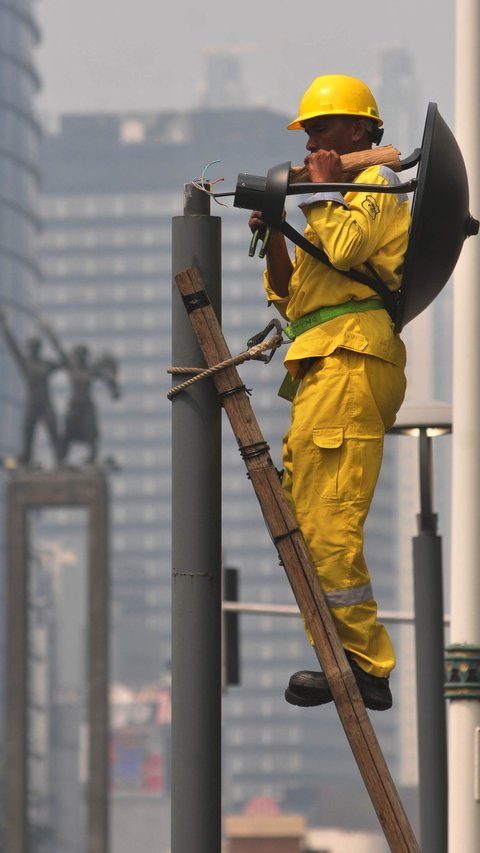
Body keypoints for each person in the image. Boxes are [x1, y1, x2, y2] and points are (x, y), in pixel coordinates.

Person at [249, 74, 410, 711]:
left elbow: (347, 246)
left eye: (323, 127)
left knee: (329, 524)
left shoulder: (375, 183)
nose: (313, 138)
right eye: (309, 130)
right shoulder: (332, 196)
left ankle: (367, 665)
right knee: (306, 521)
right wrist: (278, 228)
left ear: (360, 130)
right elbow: (289, 298)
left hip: (351, 354)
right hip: (321, 357)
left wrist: (318, 189)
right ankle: (343, 659)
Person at [0, 308, 63, 465]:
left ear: (39, 348)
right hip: (32, 402)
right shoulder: (25, 363)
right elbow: (12, 345)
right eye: (31, 346)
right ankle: (26, 459)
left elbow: (65, 361)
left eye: (35, 346)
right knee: (28, 432)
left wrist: (48, 332)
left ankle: (59, 460)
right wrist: (4, 325)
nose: (33, 349)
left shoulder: (46, 364)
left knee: (53, 432)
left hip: (46, 403)